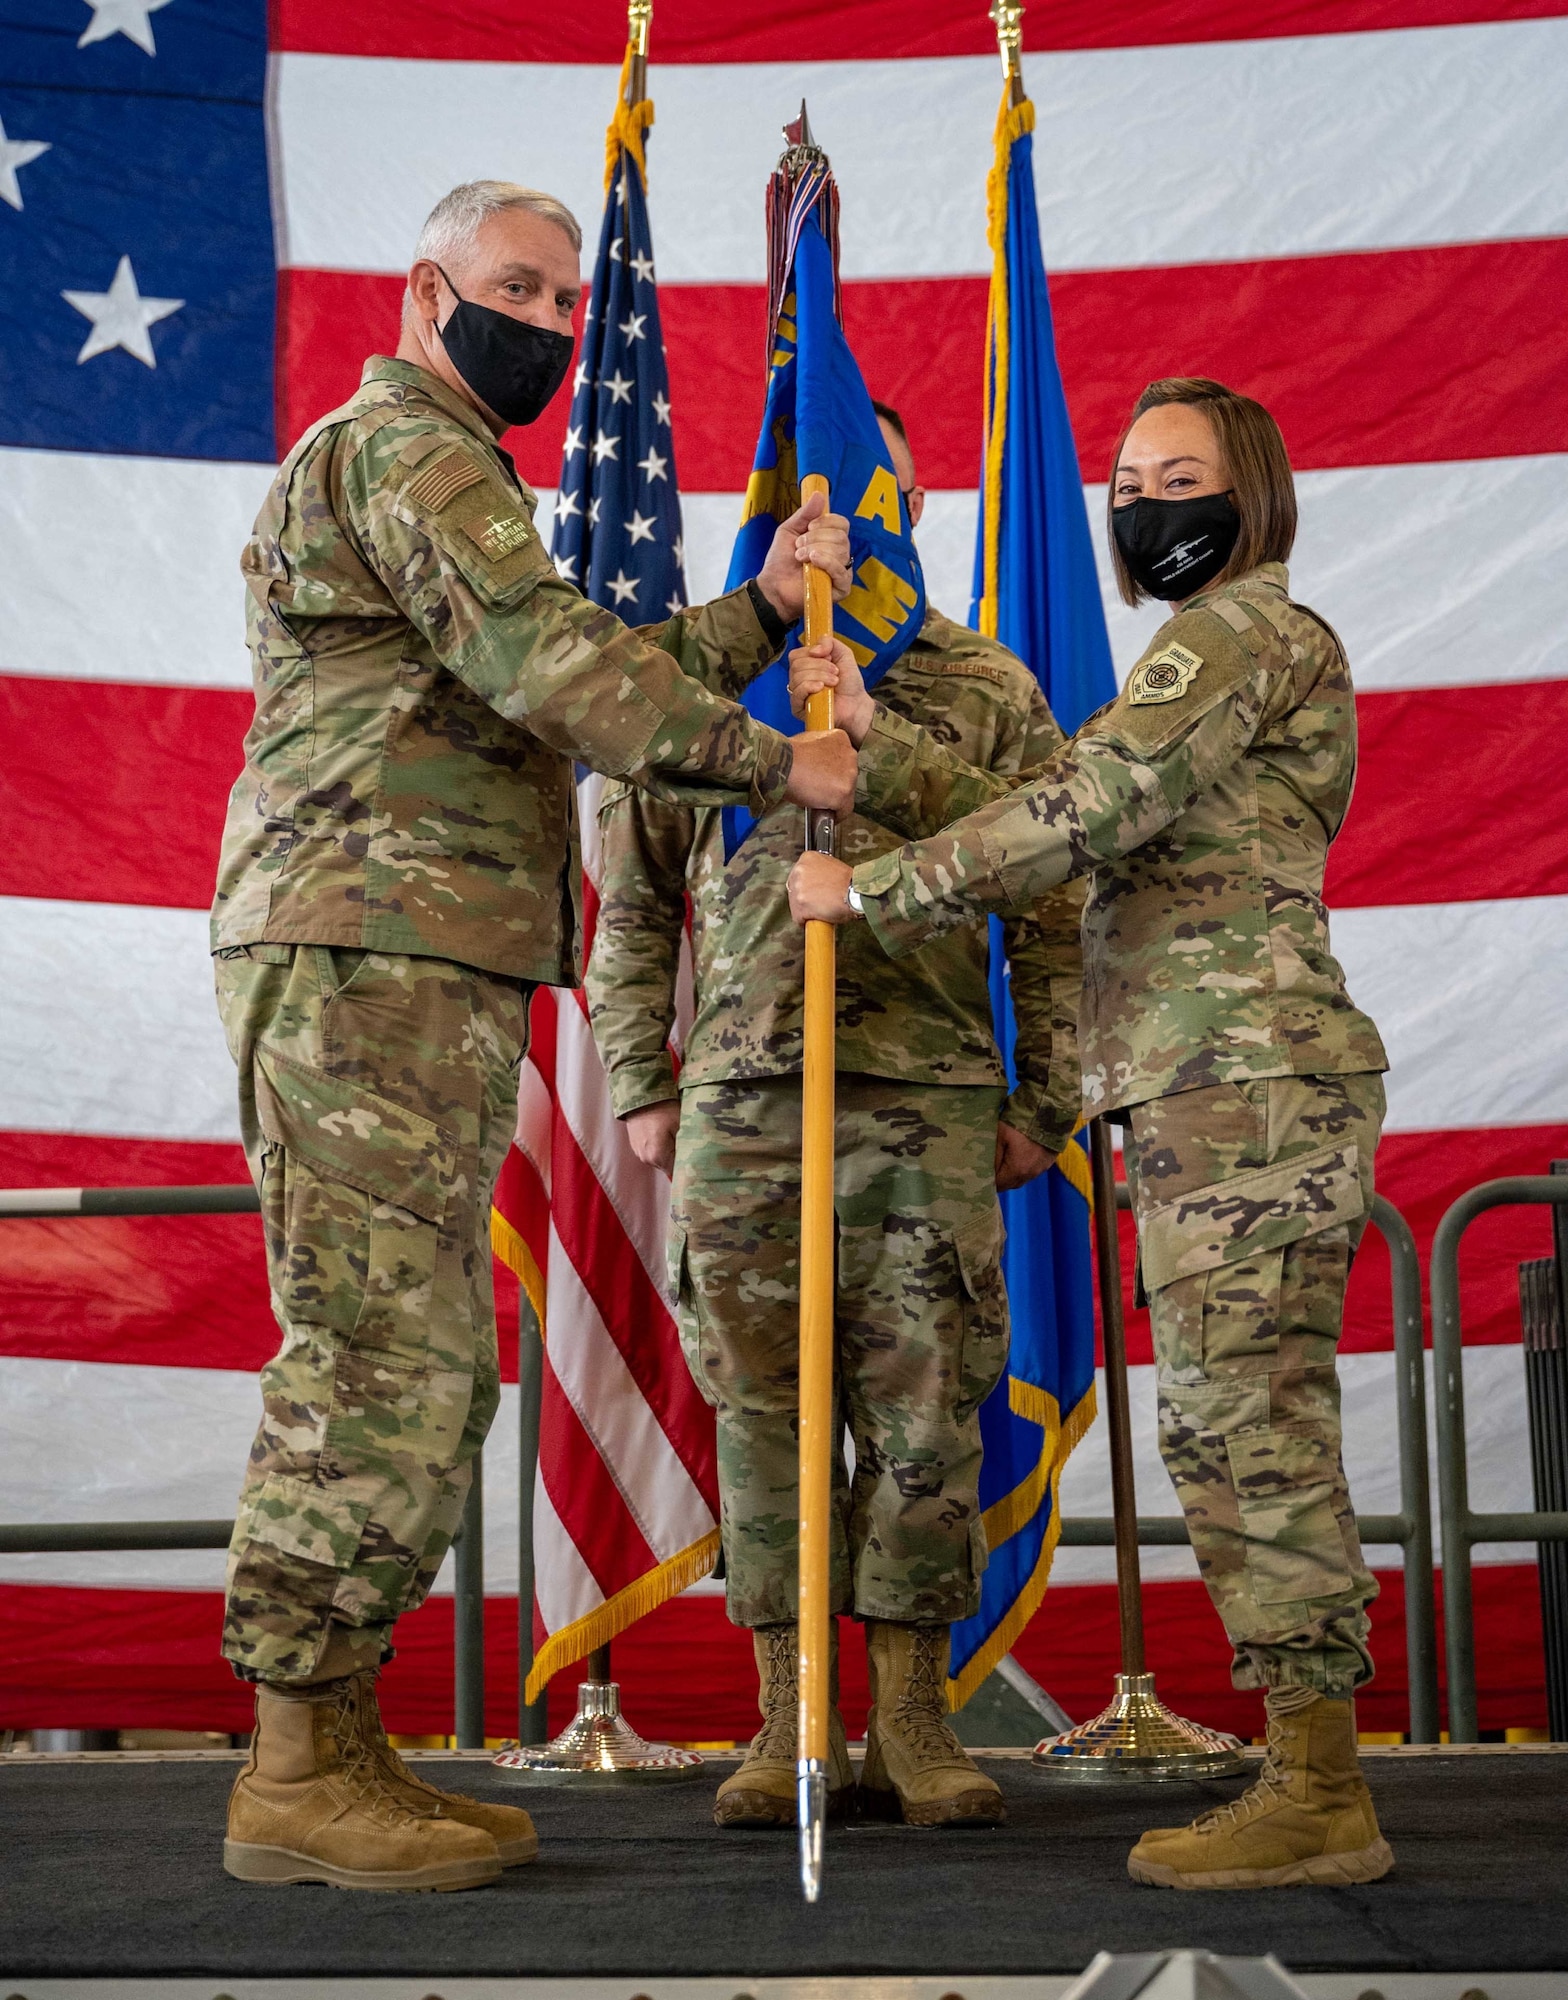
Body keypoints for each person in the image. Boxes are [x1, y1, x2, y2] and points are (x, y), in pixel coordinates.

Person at [210, 179, 856, 1894]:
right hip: (366, 941)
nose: (556, 324)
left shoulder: (428, 462)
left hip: (399, 945)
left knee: (412, 1348)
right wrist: (777, 758)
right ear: (427, 290)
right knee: (379, 1352)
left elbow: (562, 659)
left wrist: (751, 621)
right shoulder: (411, 446)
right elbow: (542, 658)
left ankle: (334, 1744)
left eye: (573, 303)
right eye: (522, 289)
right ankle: (292, 1762)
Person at [787, 377, 1394, 1891]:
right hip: (1210, 1087)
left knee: (1249, 1423)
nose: (1141, 499)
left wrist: (879, 884)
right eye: (1124, 477)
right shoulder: (1210, 657)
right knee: (1227, 1417)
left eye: (1176, 472)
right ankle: (1306, 1767)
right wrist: (880, 739)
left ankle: (1320, 1789)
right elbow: (1084, 800)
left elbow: (1095, 805)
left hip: (1241, 1084)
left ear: (1247, 488)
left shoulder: (1243, 630)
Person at [586, 403, 1084, 1830]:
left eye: (876, 488)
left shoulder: (981, 686)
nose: (845, 520)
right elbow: (629, 914)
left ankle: (915, 1721)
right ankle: (788, 1714)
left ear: (912, 500)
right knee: (765, 1417)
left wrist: (1040, 1104)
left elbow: (1052, 893)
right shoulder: (706, 690)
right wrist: (644, 1092)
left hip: (925, 1109)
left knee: (927, 1421)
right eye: (817, 494)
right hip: (741, 1110)